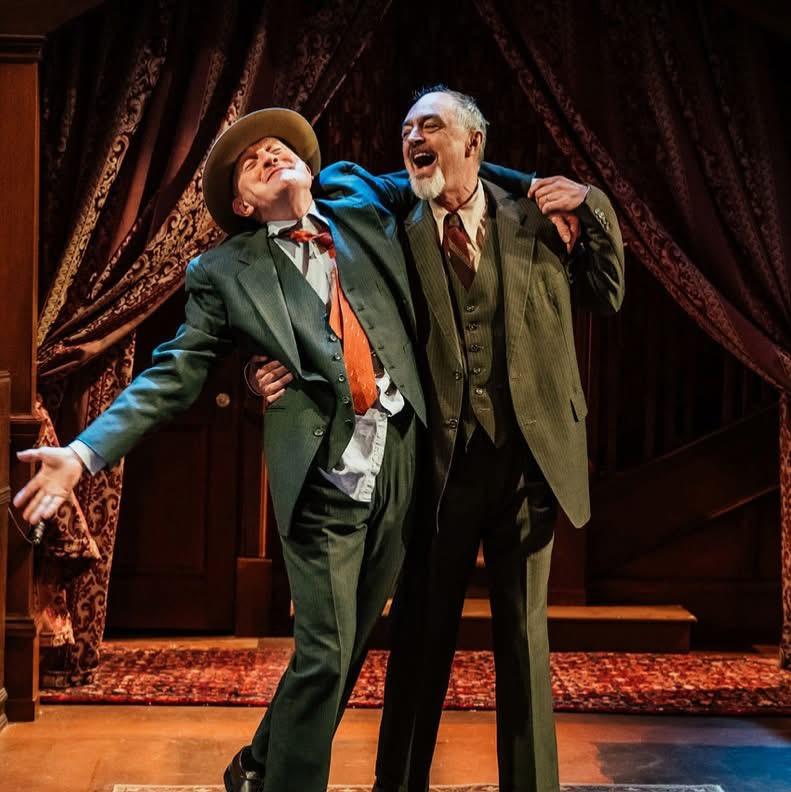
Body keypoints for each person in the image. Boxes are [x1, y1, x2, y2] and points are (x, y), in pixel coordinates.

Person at [13, 108, 428, 792]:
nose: (269, 157)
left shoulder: (360, 206)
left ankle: (258, 764)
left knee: (348, 647)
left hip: (401, 456)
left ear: (309, 168)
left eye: (278, 149)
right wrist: (83, 454)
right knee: (325, 651)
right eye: (252, 162)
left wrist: (538, 188)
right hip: (323, 476)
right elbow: (174, 372)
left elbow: (449, 177)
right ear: (242, 205)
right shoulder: (224, 270)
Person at [260, 87, 625, 792]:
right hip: (435, 472)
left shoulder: (537, 220)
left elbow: (607, 293)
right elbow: (337, 197)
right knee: (421, 643)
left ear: (474, 141)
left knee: (525, 643)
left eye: (431, 126)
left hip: (527, 467)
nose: (413, 138)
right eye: (406, 129)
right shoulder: (390, 228)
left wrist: (591, 202)